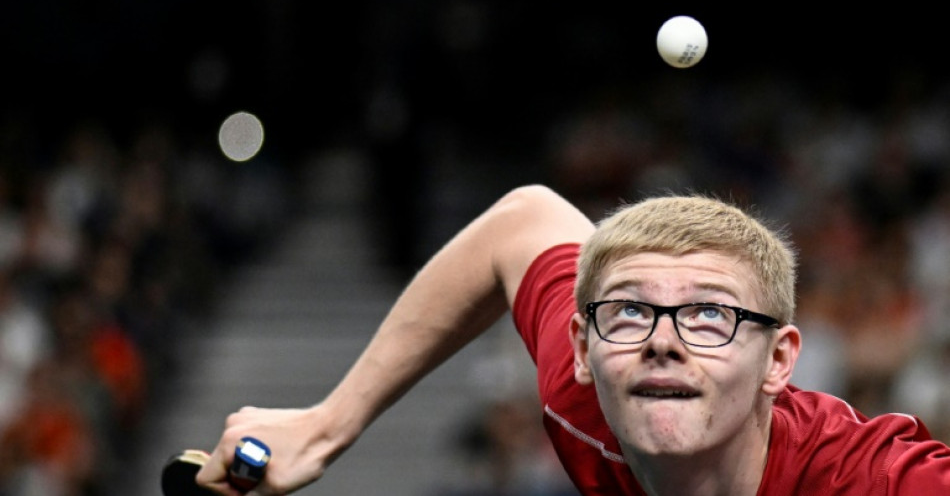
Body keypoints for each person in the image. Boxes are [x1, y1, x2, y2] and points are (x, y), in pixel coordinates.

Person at [196, 184, 950, 496]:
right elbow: (523, 219)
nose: (661, 341)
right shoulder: (583, 395)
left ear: (778, 360)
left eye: (709, 316)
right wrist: (326, 426)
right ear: (582, 349)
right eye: (629, 312)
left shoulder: (879, 481)